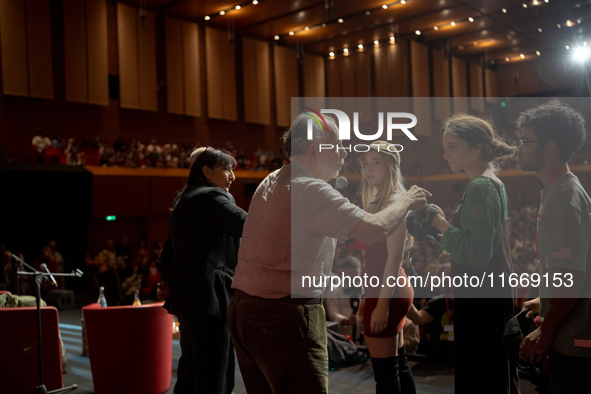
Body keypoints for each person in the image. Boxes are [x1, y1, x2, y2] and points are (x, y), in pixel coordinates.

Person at [227, 112, 429, 394]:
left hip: (244, 310)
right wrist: (406, 200)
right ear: (314, 150)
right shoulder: (310, 189)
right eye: (337, 144)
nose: (344, 152)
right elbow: (374, 229)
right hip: (283, 314)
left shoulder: (272, 179)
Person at [429, 114, 520, 394]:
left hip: (481, 303)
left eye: (452, 146)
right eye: (444, 147)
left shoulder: (480, 186)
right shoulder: (493, 182)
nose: (445, 154)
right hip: (492, 296)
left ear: (477, 147)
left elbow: (477, 254)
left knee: (481, 377)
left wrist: (439, 222)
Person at [515, 99, 591, 393]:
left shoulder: (562, 197)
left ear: (549, 147)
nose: (520, 147)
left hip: (574, 345)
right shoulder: (556, 191)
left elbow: (571, 277)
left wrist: (544, 332)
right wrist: (543, 299)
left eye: (525, 141)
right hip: (569, 337)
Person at [158, 148, 247, 394]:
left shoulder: (184, 200)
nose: (232, 176)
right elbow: (247, 224)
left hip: (188, 300)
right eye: (226, 169)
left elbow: (169, 251)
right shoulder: (213, 197)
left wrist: (165, 279)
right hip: (210, 299)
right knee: (214, 375)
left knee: (190, 371)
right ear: (206, 172)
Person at [356, 141, 416, 394]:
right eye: (365, 163)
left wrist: (380, 306)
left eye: (376, 162)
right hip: (383, 290)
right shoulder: (380, 201)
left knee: (385, 375)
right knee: (398, 367)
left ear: (390, 166)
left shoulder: (395, 202)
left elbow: (394, 258)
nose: (368, 169)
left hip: (387, 293)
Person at [323, 256, 364, 340]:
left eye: (355, 273)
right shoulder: (334, 290)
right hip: (343, 337)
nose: (352, 276)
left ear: (360, 272)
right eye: (349, 272)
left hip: (363, 336)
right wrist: (347, 321)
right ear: (343, 271)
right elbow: (333, 314)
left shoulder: (365, 290)